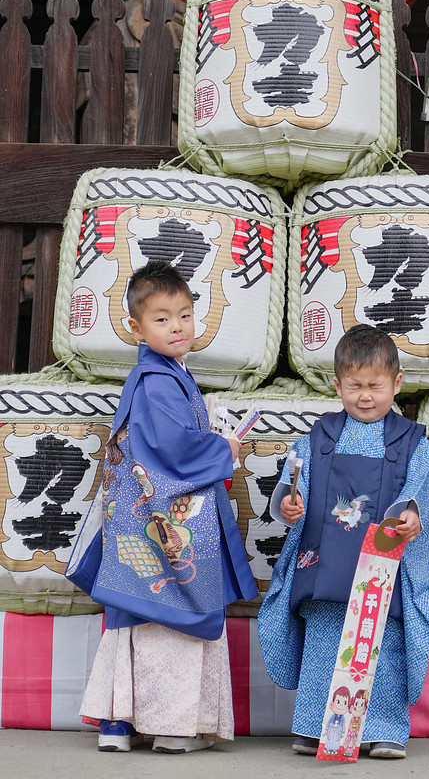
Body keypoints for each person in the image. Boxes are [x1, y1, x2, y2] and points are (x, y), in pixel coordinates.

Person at [72, 260, 257, 754]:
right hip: (161, 518)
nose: (177, 326)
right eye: (162, 318)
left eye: (184, 315)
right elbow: (174, 450)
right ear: (136, 328)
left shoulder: (156, 375)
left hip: (136, 516)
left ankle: (118, 724)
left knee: (131, 615)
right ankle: (174, 728)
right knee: (173, 613)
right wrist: (223, 449)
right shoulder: (158, 381)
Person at [258, 324, 429, 759]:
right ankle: (314, 726)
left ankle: (383, 729)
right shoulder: (316, 439)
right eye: (355, 386)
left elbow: (424, 491)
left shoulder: (414, 444)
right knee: (323, 642)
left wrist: (413, 515)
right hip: (327, 562)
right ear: (337, 384)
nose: (365, 396)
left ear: (396, 383)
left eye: (375, 386)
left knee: (383, 644)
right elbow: (293, 484)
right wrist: (288, 503)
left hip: (383, 566)